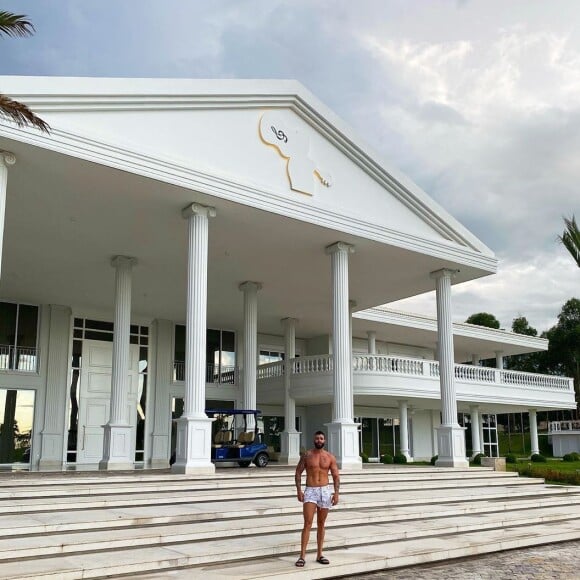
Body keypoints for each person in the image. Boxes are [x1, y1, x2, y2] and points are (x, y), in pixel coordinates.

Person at [294, 430, 340, 567]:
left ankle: (320, 554)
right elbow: (298, 472)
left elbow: (336, 475)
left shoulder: (330, 457)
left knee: (321, 523)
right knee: (307, 523)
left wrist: (336, 493)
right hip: (311, 490)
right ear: (314, 440)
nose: (319, 440)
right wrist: (299, 490)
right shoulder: (307, 455)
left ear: (324, 441)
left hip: (325, 491)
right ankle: (302, 556)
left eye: (321, 438)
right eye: (317, 438)